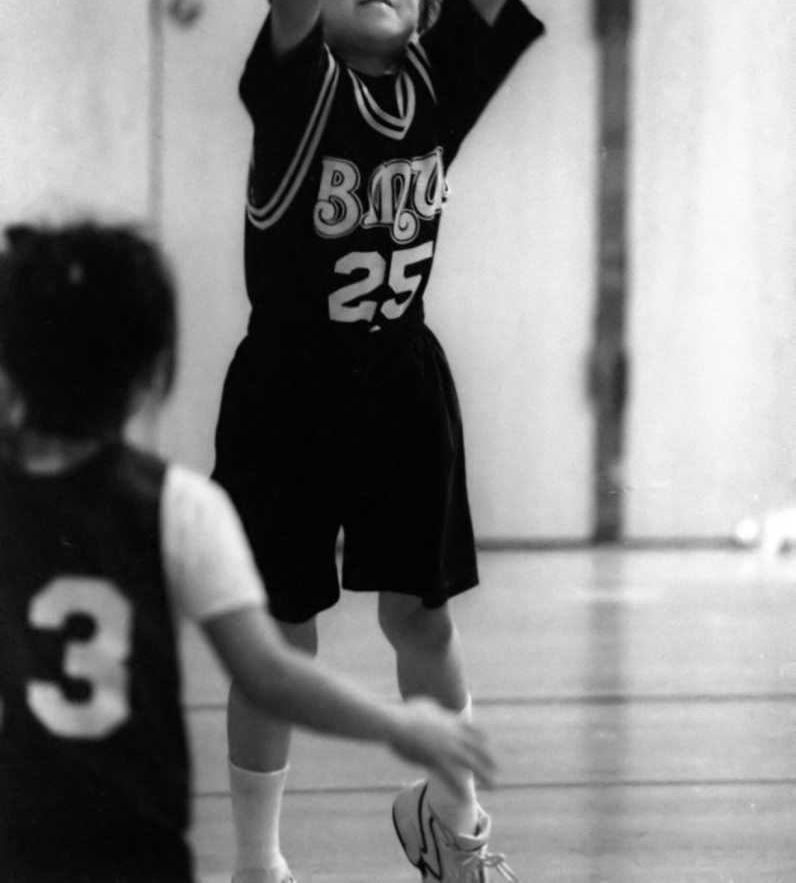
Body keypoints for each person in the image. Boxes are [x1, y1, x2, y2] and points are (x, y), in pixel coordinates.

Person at [213, 0, 656, 883]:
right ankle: (260, 861)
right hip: (286, 386)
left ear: (420, 2)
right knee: (281, 637)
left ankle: (454, 832)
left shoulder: (432, 83)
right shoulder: (300, 84)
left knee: (426, 625)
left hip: (404, 380)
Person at [0, 220, 496, 883]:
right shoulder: (178, 507)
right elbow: (270, 673)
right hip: (140, 843)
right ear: (152, 373)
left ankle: (260, 866)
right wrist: (398, 725)